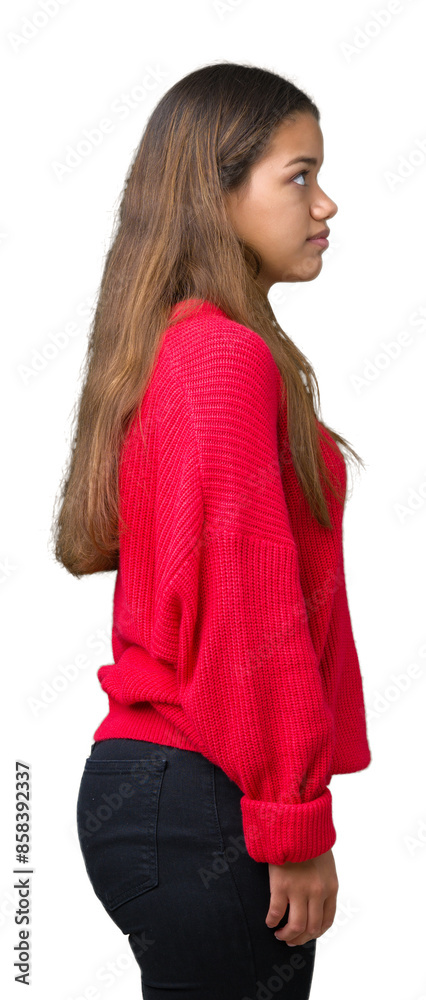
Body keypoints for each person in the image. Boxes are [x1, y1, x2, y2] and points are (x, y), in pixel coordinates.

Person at [50, 61, 372, 999]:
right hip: (205, 795)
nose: (326, 204)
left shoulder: (187, 347)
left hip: (175, 792)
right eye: (300, 176)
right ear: (217, 192)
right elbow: (247, 610)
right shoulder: (220, 358)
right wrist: (292, 817)